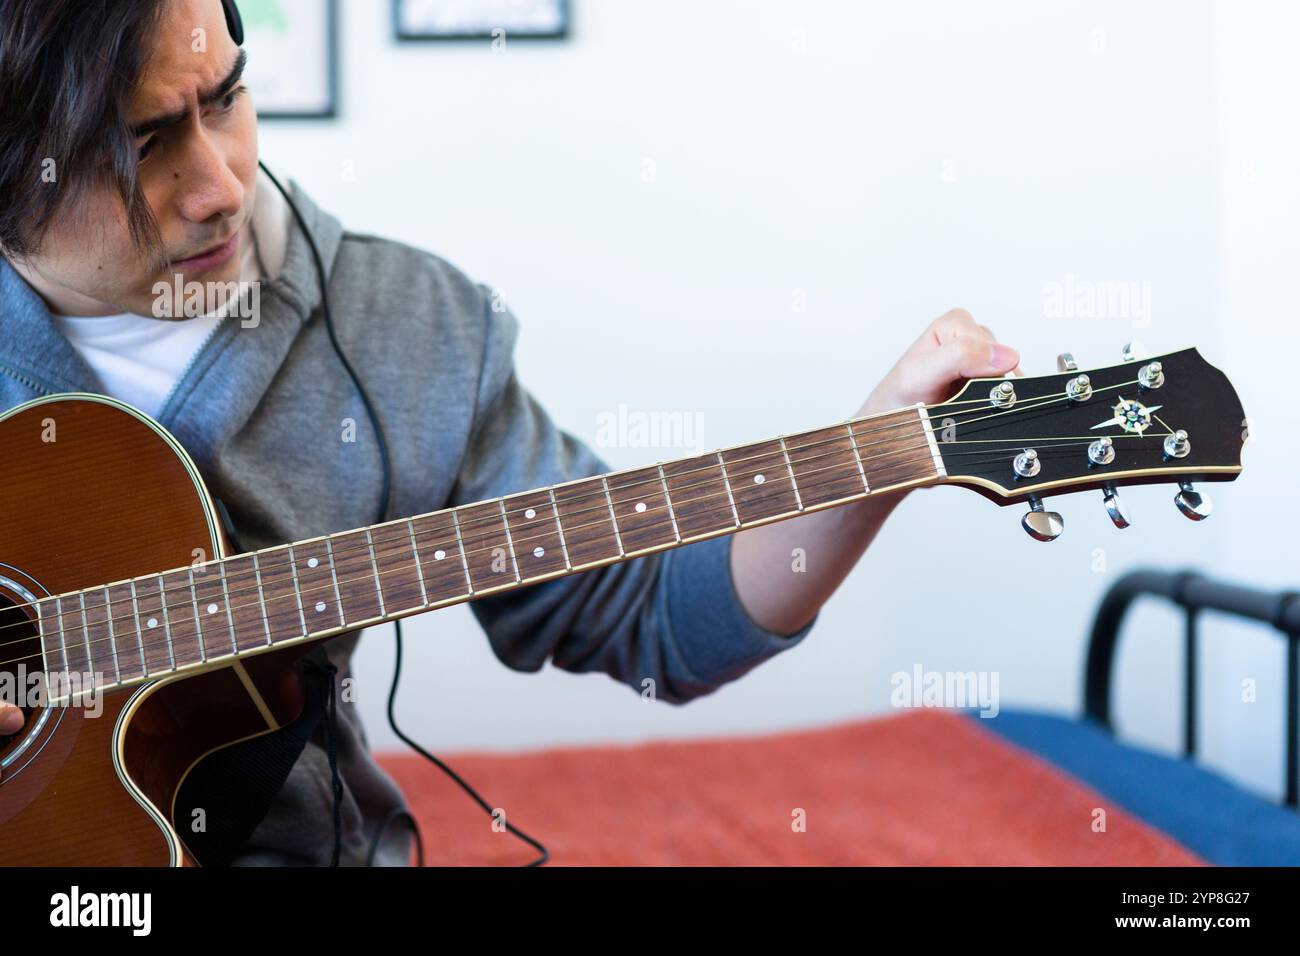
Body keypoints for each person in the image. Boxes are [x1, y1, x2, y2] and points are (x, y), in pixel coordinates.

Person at [0, 0, 1020, 865]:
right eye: (142, 145)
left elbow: (650, 610)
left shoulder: (414, 325)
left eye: (224, 98)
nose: (222, 182)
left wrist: (880, 456)